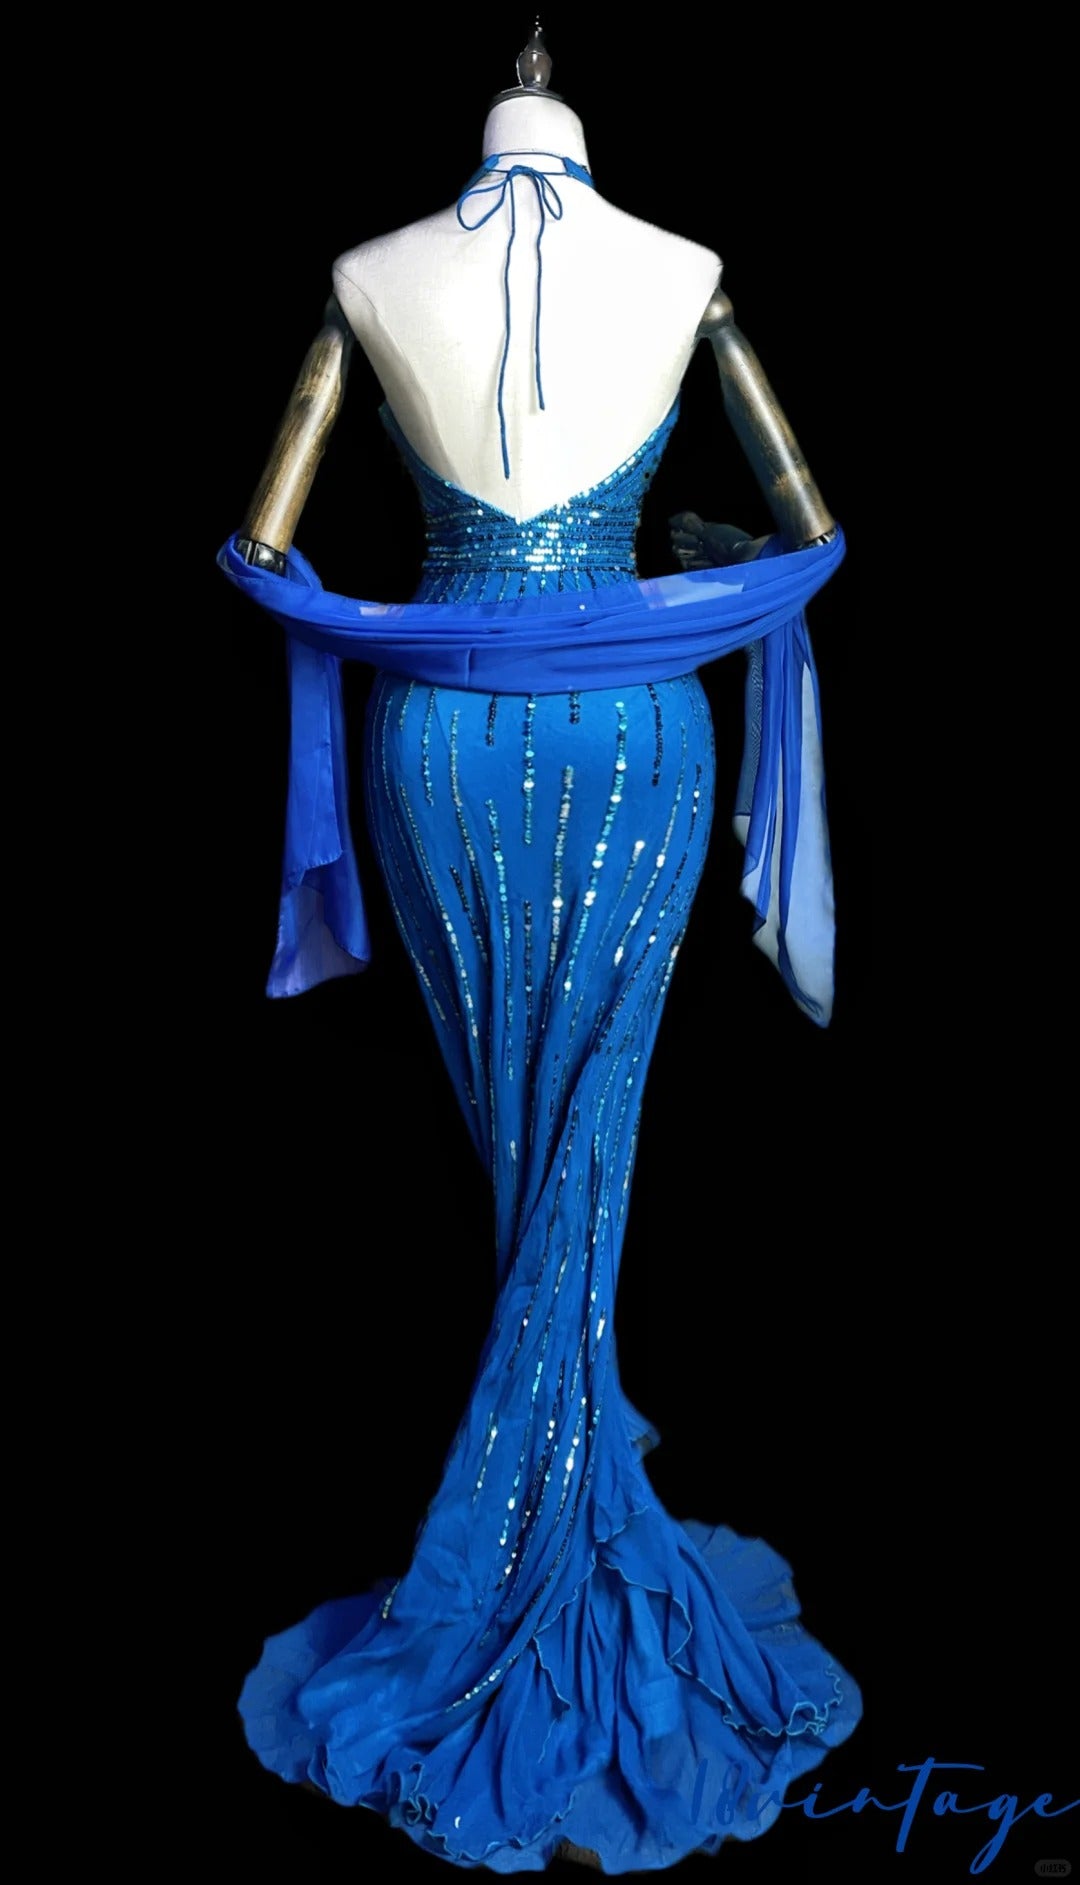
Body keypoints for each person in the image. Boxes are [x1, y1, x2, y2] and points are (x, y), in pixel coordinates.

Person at [225, 27, 860, 1873]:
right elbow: (814, 528)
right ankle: (551, 1530)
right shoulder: (687, 274)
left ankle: (524, 1540)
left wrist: (389, 612)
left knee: (545, 1149)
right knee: (568, 1146)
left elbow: (260, 541)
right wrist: (684, 562)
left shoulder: (369, 276)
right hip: (636, 736)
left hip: (439, 741)